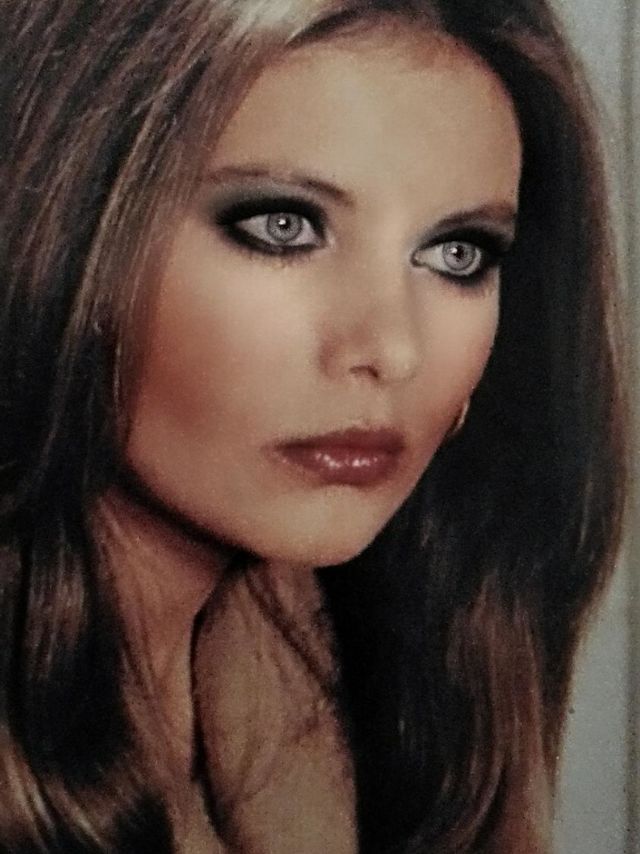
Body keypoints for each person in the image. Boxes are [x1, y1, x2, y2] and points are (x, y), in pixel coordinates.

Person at [0, 0, 627, 852]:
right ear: (59, 239)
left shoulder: (381, 686)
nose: (393, 350)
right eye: (282, 226)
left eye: (458, 253)